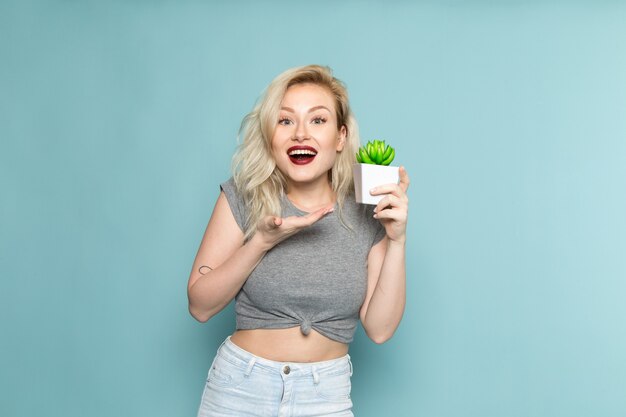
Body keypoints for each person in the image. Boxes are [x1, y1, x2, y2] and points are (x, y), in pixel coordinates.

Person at [187, 64, 409, 417]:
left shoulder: (368, 211)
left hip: (326, 396)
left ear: (340, 137)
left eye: (317, 120)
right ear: (270, 135)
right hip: (239, 390)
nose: (300, 134)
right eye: (285, 120)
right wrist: (259, 242)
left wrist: (396, 240)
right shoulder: (243, 198)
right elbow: (200, 306)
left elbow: (380, 330)